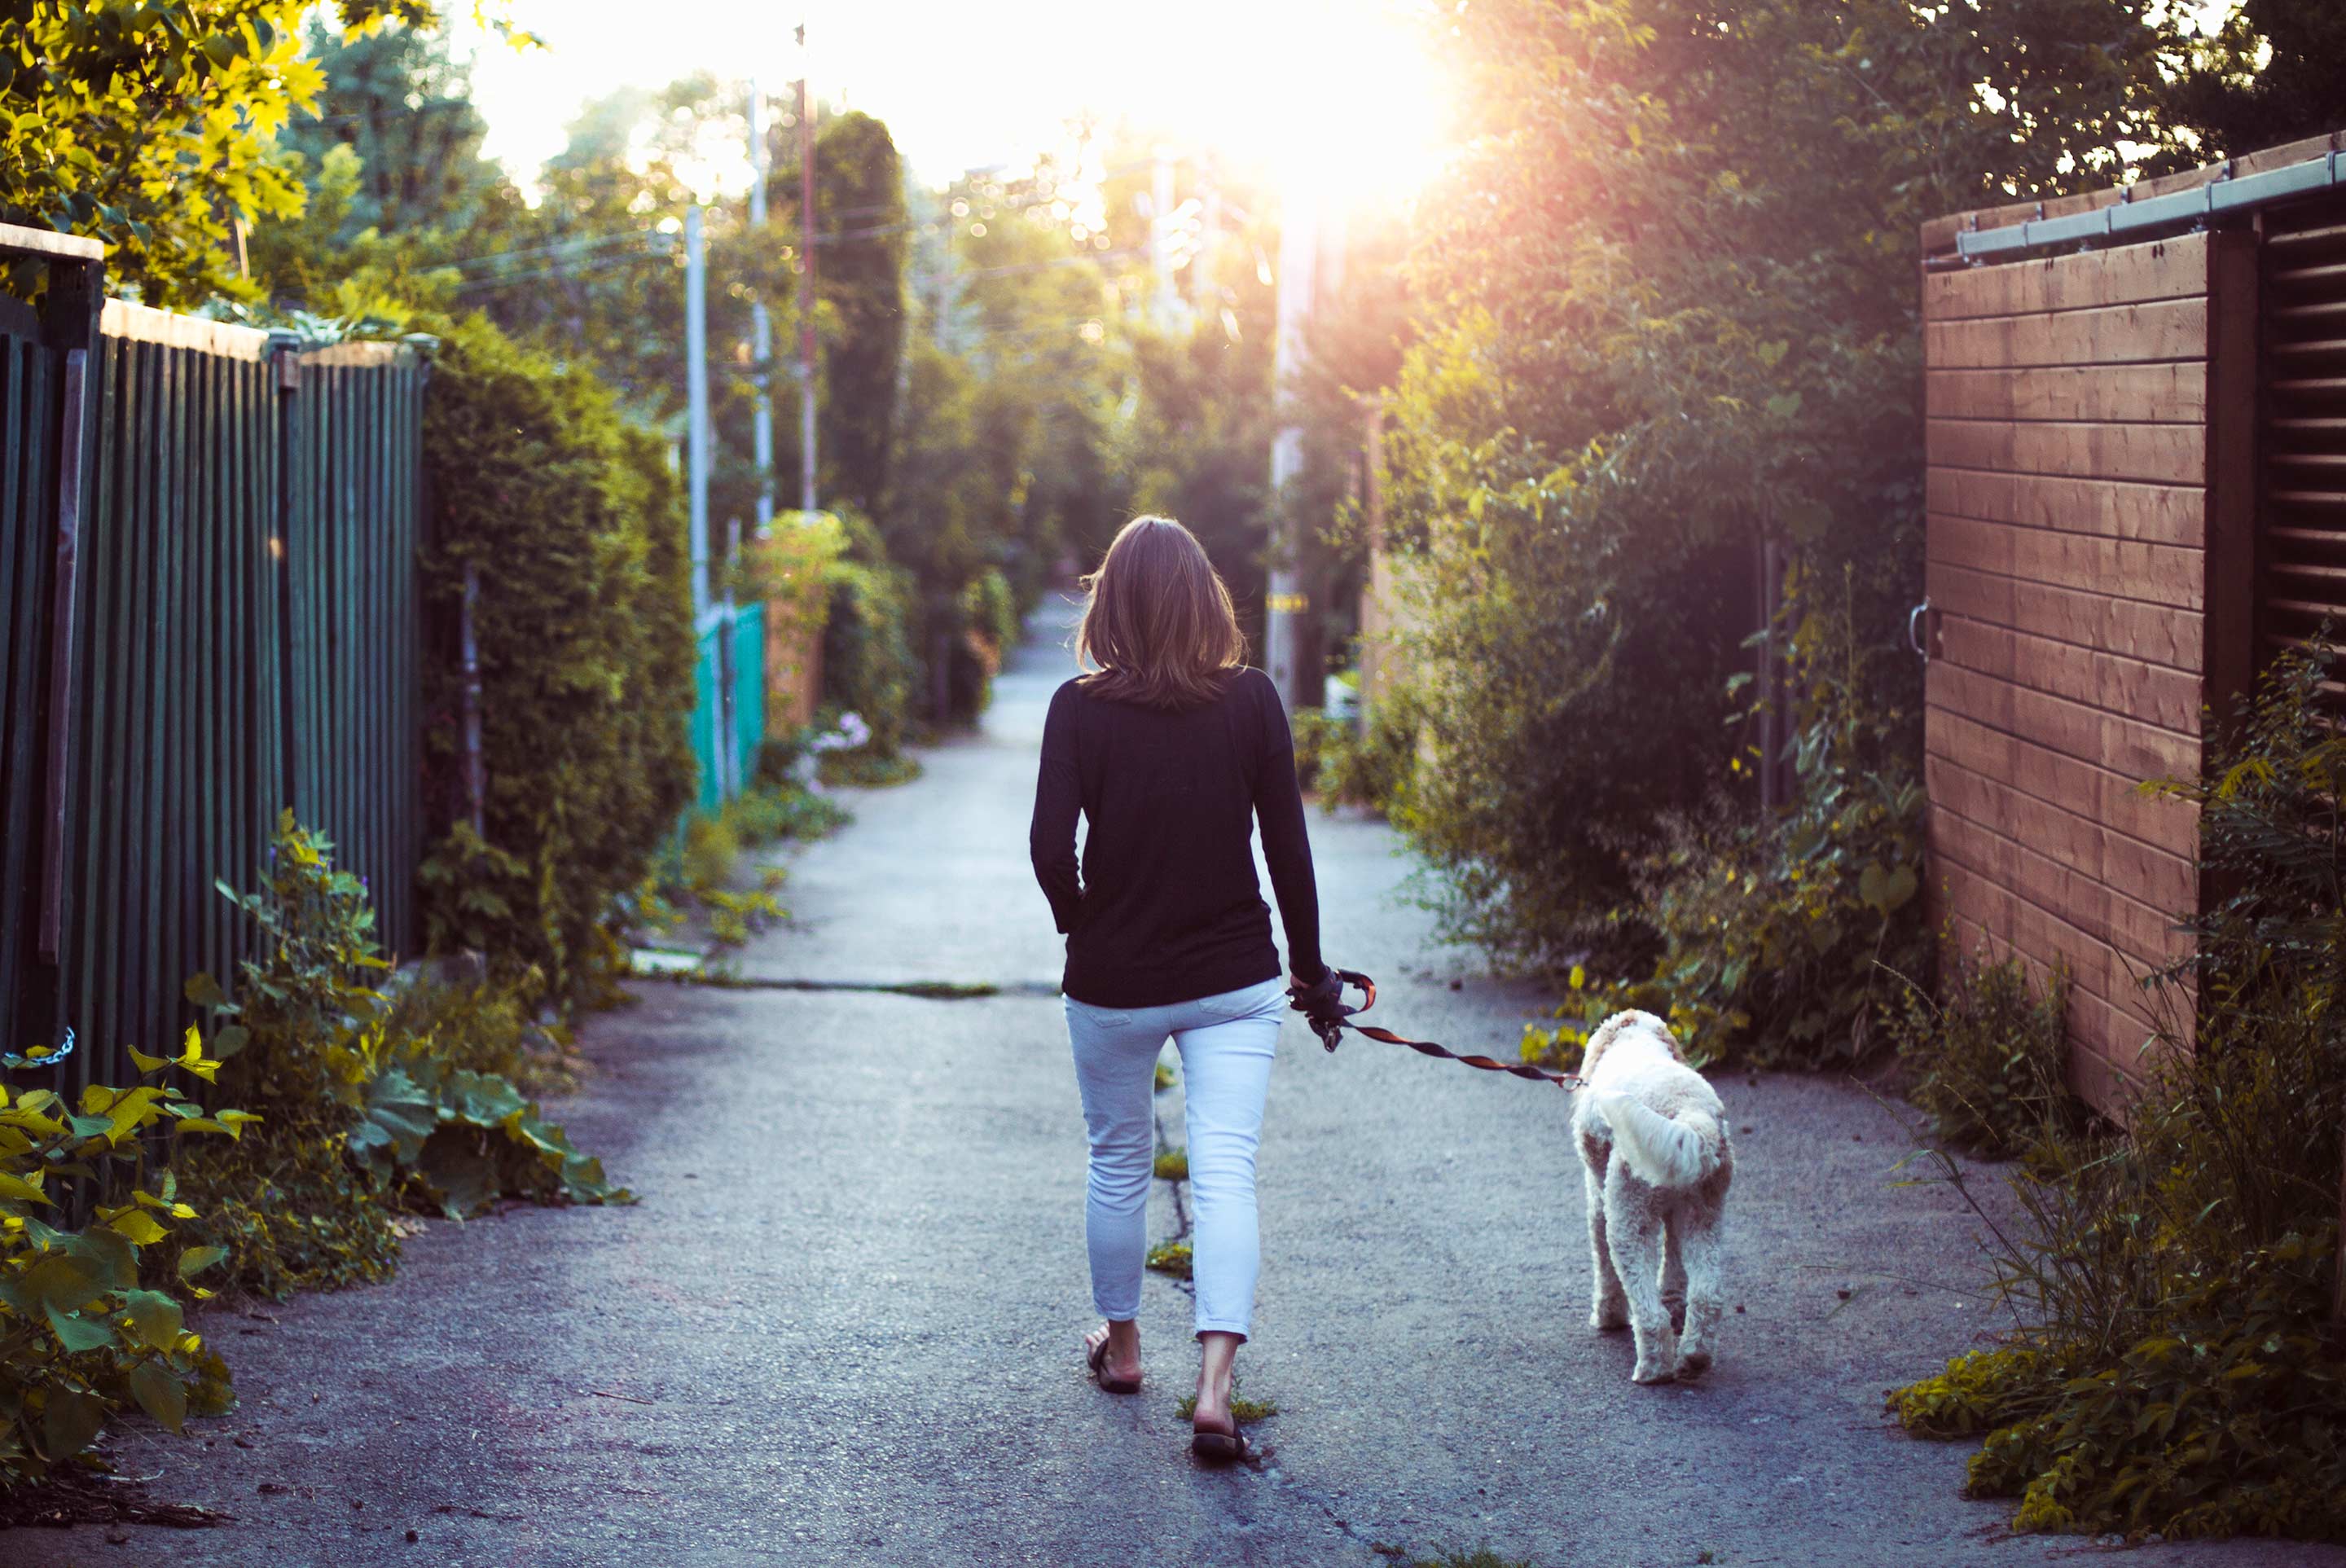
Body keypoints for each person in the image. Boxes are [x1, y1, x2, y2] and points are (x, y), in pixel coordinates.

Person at [1030, 515, 1342, 1465]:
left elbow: (1050, 850)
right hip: (1234, 978)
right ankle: (1214, 1385)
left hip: (1113, 982)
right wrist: (1313, 970)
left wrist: (1086, 921)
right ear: (1206, 598)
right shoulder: (1252, 701)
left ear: (1110, 603)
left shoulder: (1077, 707)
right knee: (1224, 1168)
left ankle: (1123, 1349)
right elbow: (1287, 851)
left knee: (1118, 1162)